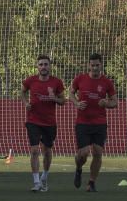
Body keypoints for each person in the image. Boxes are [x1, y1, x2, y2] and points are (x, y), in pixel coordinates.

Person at [70, 53, 117, 192]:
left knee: (97, 152)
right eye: (93, 65)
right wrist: (77, 103)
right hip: (83, 123)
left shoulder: (107, 82)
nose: (95, 68)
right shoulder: (80, 79)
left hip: (100, 123)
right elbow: (71, 94)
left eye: (97, 65)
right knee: (83, 154)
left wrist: (106, 103)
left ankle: (91, 182)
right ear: (88, 65)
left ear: (101, 65)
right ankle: (78, 169)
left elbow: (115, 102)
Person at [21, 54, 66, 192]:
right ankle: (36, 182)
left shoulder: (56, 82)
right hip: (33, 120)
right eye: (41, 64)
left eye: (46, 64)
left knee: (47, 151)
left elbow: (63, 101)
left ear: (50, 66)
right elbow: (22, 92)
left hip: (49, 122)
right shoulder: (30, 81)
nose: (43, 67)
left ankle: (44, 178)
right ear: (37, 67)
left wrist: (55, 98)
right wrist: (26, 103)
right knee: (34, 150)